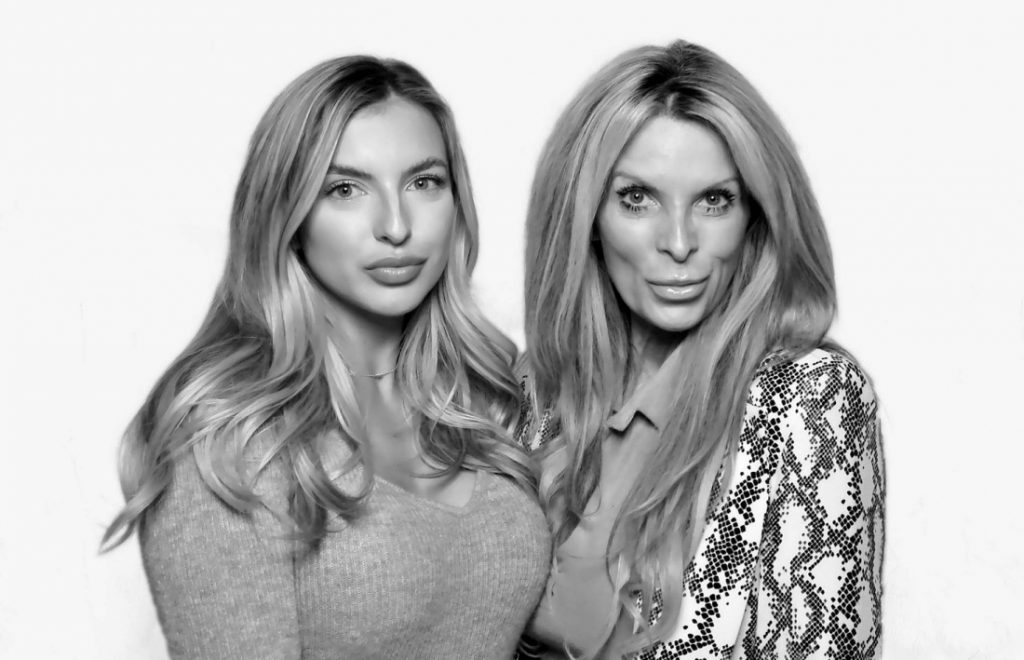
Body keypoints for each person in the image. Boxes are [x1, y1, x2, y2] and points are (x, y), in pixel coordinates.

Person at [102, 55, 550, 660]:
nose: (396, 225)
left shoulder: (491, 396)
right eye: (345, 189)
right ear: (288, 216)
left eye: (424, 183)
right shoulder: (227, 444)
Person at [518, 40, 885, 659]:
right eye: (638, 198)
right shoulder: (539, 384)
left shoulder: (810, 397)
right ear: (584, 215)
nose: (680, 241)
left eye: (715, 201)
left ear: (757, 218)